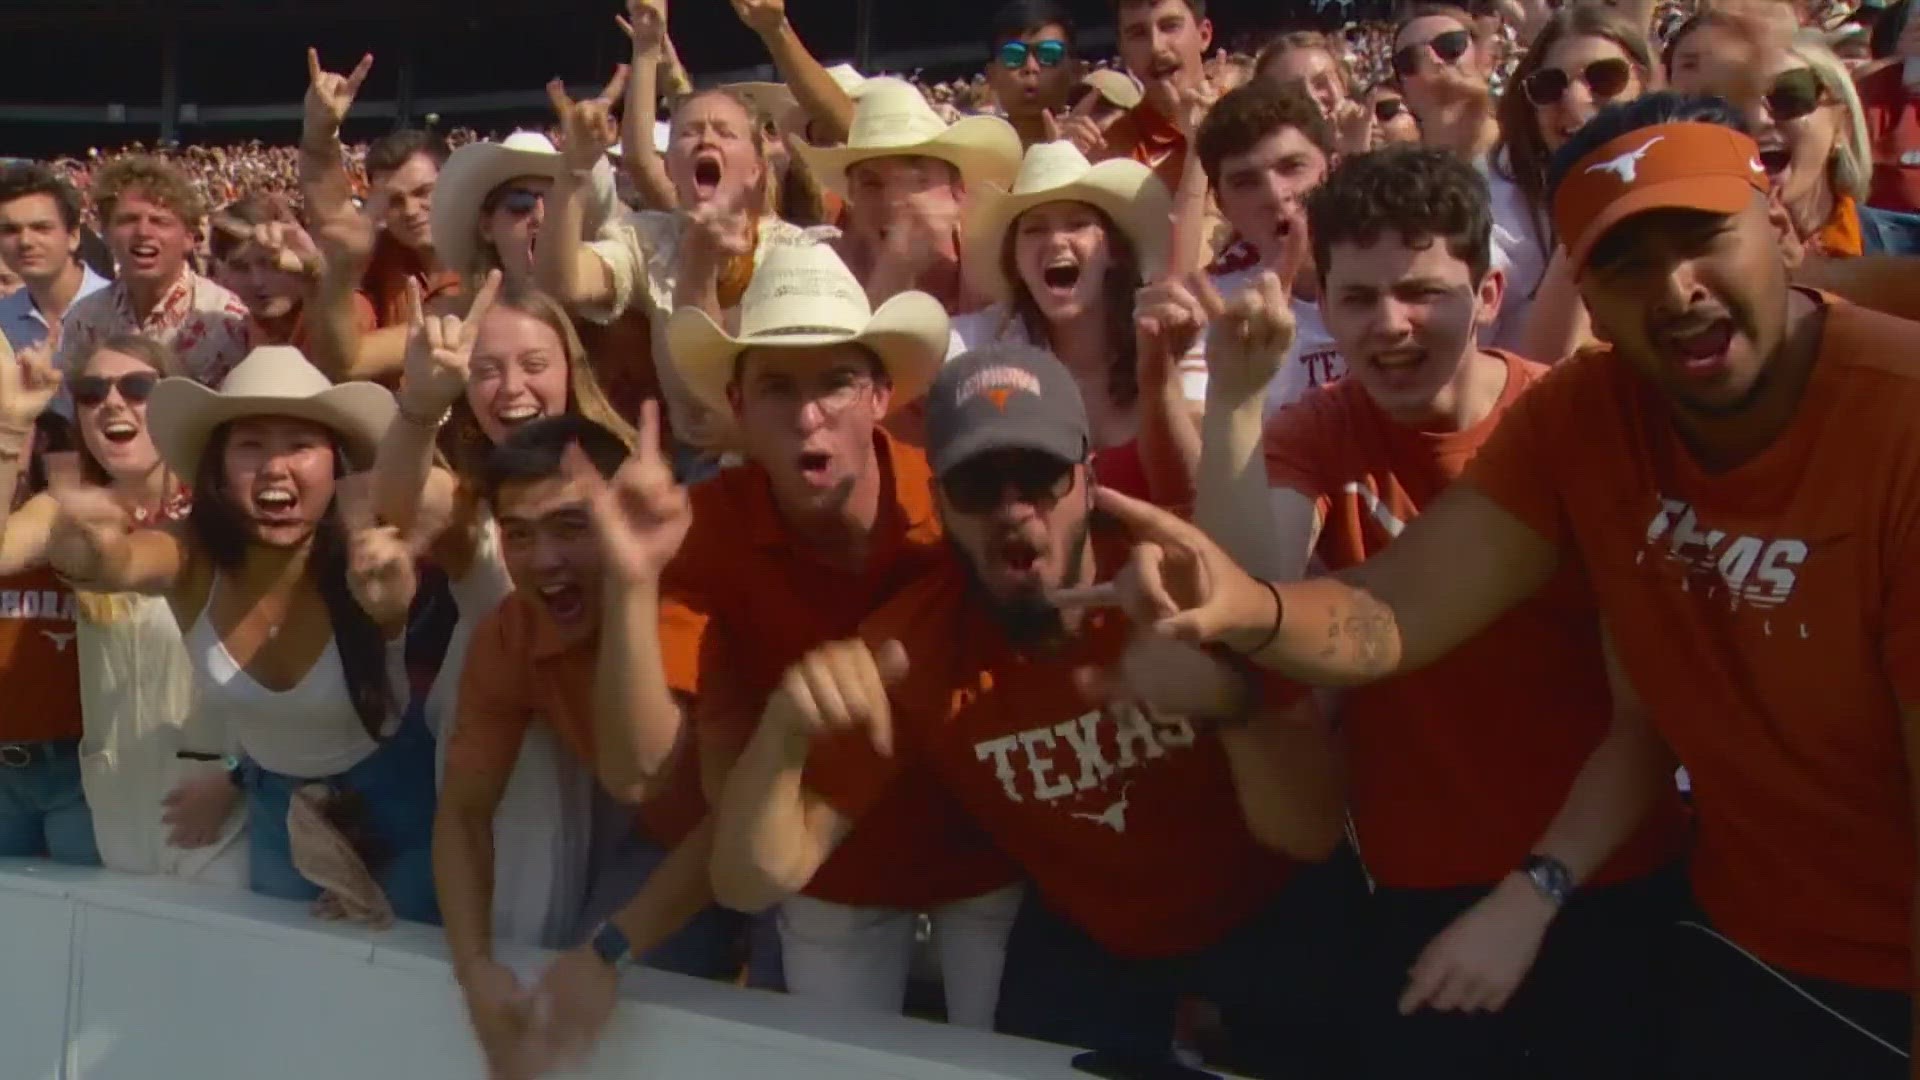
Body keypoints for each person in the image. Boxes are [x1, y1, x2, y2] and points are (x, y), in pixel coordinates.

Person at [1102, 93, 1920, 1077]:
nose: (1676, 289)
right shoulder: (1586, 416)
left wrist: (1536, 890)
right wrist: (1236, 596)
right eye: (1625, 261)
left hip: (1696, 913)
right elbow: (1386, 612)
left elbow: (1639, 724)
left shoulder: (1879, 420)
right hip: (1711, 937)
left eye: (1702, 239)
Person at [710, 340, 1356, 1077]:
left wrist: (1230, 702)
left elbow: (1308, 832)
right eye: (980, 483)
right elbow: (749, 880)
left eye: (1040, 476)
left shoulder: (1181, 574)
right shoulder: (918, 648)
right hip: (1099, 939)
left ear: (1088, 478)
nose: (1014, 512)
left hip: (1263, 909)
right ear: (943, 499)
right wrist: (782, 733)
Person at [1198, 144, 1688, 1078]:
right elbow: (1250, 593)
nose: (1390, 325)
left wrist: (1535, 893)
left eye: (1422, 291)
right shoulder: (1320, 430)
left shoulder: (1574, 424)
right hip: (1418, 901)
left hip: (1604, 884)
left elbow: (1650, 716)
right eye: (1357, 298)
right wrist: (1232, 399)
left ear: (1491, 291)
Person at [589, 243, 1021, 1025]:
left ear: (882, 396)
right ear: (740, 408)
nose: (809, 413)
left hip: (988, 863)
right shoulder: (705, 527)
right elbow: (636, 771)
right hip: (830, 875)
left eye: (836, 382)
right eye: (777, 387)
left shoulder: (961, 499)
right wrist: (627, 583)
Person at [43, 344, 440, 925]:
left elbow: (433, 503)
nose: (275, 467)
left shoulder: (369, 547)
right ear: (219, 472)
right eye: (251, 445)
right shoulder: (190, 554)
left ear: (335, 465)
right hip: (277, 807)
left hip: (399, 799)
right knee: (282, 983)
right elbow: (119, 561)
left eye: (299, 445)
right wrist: (85, 546)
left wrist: (424, 411)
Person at [435, 414, 732, 1080]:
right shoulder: (509, 635)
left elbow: (738, 818)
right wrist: (475, 971)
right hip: (665, 844)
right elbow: (463, 815)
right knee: (563, 1021)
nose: (544, 560)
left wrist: (615, 947)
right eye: (519, 535)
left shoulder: (684, 602)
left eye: (571, 528)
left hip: (784, 855)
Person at [371, 274, 630, 949]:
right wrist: (421, 406)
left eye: (533, 364)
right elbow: (397, 505)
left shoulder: (625, 472)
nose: (511, 387)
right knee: (514, 941)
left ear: (571, 370)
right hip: (513, 768)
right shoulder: (469, 500)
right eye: (486, 370)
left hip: (610, 745)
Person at [0, 333, 245, 880]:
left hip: (213, 802)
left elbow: (270, 655)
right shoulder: (68, 509)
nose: (112, 403)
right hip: (115, 798)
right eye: (90, 392)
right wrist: (13, 427)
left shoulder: (224, 509)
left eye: (136, 387)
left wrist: (233, 774)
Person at [541, 74, 842, 461]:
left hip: (787, 458)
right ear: (669, 168)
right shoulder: (646, 239)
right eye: (690, 133)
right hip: (693, 469)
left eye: (725, 133)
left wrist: (745, 432)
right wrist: (575, 169)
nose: (706, 140)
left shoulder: (802, 252)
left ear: (755, 168)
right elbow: (561, 283)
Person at [950, 141, 1195, 502]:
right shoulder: (982, 345)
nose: (1055, 240)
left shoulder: (1175, 334)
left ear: (1112, 251)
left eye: (1078, 224)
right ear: (1014, 261)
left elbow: (1195, 496)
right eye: (1034, 229)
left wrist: (1160, 376)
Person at [1491, 3, 1655, 361]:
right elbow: (1550, 365)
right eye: (1549, 86)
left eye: (1604, 77)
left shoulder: (1694, 176)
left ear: (1644, 82)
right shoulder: (1501, 201)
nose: (1575, 98)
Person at [790, 76, 1023, 316]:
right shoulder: (824, 276)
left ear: (958, 191)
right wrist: (894, 272)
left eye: (914, 182)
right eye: (871, 184)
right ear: (852, 196)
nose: (892, 201)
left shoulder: (1007, 272)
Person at [1194, 80, 1344, 416]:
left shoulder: (1404, 262)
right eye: (1245, 182)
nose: (1275, 194)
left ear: (1333, 168)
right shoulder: (1213, 308)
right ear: (1221, 204)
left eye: (1292, 167)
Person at [53, 156, 252, 392]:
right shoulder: (85, 319)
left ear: (189, 238)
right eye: (128, 220)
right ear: (105, 233)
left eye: (160, 221)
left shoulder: (227, 320)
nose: (143, 231)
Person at [0, 163, 108, 355]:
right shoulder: (3, 319)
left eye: (41, 228)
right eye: (11, 230)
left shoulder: (120, 309)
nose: (25, 241)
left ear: (73, 236)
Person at [985, 0, 1083, 148]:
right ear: (991, 75)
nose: (1031, 67)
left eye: (1049, 54)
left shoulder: (1104, 145)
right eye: (1014, 55)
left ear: (1075, 71)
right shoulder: (971, 157)